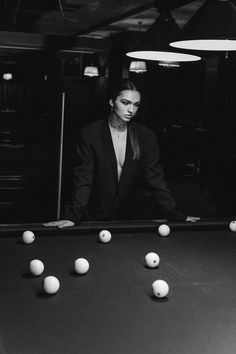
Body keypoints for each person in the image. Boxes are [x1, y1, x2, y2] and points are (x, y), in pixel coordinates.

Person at [44, 80, 198, 228]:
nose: (131, 110)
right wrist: (72, 216)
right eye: (125, 103)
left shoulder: (146, 137)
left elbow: (155, 180)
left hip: (128, 217)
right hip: (94, 217)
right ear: (111, 102)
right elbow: (84, 179)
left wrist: (176, 214)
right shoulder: (90, 134)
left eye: (136, 105)